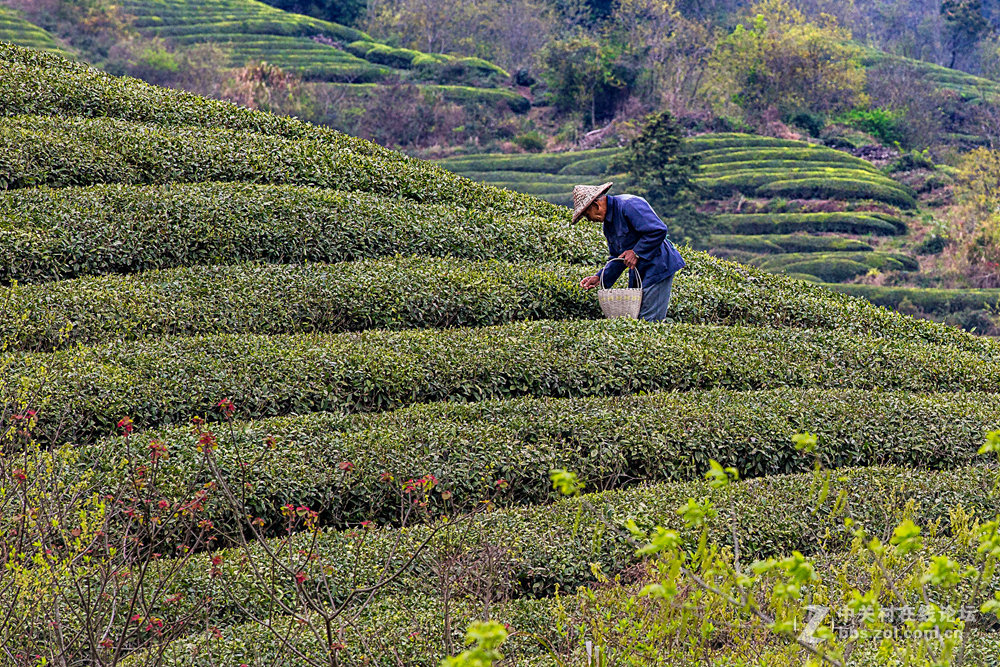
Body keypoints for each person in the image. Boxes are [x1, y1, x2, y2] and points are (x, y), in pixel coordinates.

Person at [572, 181, 685, 322]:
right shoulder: (608, 226)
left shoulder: (629, 205)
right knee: (635, 319)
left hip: (658, 266)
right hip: (638, 270)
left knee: (649, 321)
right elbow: (617, 258)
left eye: (587, 215)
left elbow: (658, 230)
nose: (589, 220)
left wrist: (636, 252)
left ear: (596, 205)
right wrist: (600, 277)